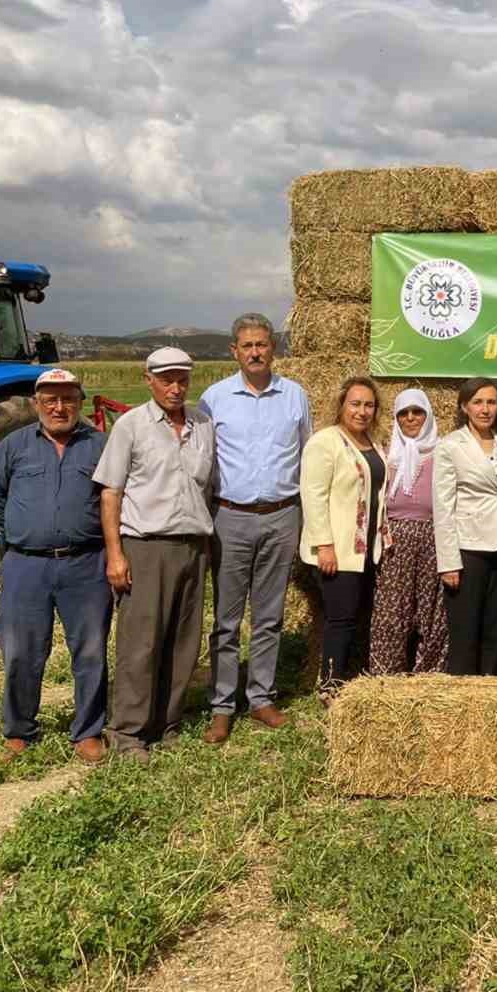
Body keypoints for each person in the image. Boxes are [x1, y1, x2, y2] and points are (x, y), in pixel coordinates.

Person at [0, 368, 112, 765]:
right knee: (21, 652)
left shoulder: (100, 446)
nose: (59, 407)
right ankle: (19, 731)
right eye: (50, 400)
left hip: (86, 564)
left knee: (90, 651)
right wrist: (24, 532)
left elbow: (115, 498)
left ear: (80, 402)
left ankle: (88, 731)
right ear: (37, 404)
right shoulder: (14, 445)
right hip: (26, 565)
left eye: (68, 399)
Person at [93, 348, 217, 760]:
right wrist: (115, 554)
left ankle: (167, 722)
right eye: (166, 380)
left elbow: (208, 488)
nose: (175, 388)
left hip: (193, 545)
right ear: (149, 380)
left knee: (183, 640)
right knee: (140, 642)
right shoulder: (131, 425)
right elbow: (110, 493)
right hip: (147, 546)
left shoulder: (203, 425)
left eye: (182, 379)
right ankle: (128, 732)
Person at [198, 312, 311, 740]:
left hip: (282, 516)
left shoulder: (295, 396)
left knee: (269, 615)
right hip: (230, 517)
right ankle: (222, 704)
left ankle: (261, 697)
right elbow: (204, 461)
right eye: (247, 345)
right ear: (234, 351)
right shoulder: (214, 399)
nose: (255, 352)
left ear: (273, 348)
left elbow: (307, 454)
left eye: (262, 344)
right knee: (227, 619)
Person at [299, 376, 388, 701]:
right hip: (337, 549)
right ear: (341, 405)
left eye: (369, 405)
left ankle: (346, 678)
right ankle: (330, 686)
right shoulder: (325, 442)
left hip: (365, 549)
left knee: (354, 616)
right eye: (355, 404)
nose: (362, 411)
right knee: (340, 619)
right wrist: (325, 545)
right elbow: (313, 496)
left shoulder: (373, 442)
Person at [433, 379, 497, 675]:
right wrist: (448, 562)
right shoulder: (449, 446)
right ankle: (463, 689)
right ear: (464, 406)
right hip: (468, 548)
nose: (485, 409)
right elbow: (443, 507)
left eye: (492, 402)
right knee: (465, 629)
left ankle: (488, 687)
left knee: (496, 626)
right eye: (478, 402)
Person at [371, 389, 448, 674]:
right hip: (395, 542)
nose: (411, 418)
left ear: (428, 416)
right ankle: (386, 675)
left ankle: (428, 676)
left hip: (433, 538)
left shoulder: (443, 452)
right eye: (403, 413)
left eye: (418, 412)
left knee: (432, 613)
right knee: (391, 613)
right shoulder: (387, 454)